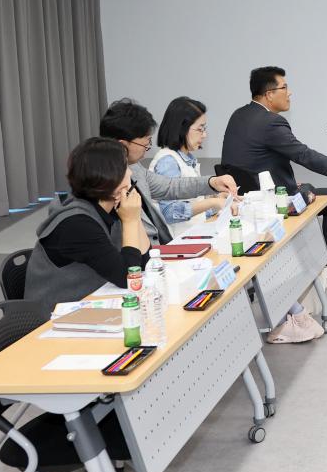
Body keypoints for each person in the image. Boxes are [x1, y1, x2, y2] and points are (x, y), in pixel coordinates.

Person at [222, 66, 327, 287]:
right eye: (284, 87)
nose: (290, 93)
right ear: (269, 94)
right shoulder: (270, 122)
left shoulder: (239, 115)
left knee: (307, 187)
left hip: (245, 198)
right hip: (274, 203)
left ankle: (323, 265)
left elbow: (254, 160)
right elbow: (304, 155)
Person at [25, 138, 151, 313]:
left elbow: (144, 261)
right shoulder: (76, 224)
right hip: (55, 319)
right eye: (125, 168)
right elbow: (128, 277)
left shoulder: (108, 207)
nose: (130, 173)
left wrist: (134, 217)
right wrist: (130, 220)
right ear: (108, 178)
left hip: (88, 304)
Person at [100, 99, 239, 245]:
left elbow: (170, 186)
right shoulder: (105, 181)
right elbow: (167, 211)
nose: (147, 148)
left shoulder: (135, 167)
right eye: (145, 142)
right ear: (123, 145)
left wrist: (212, 182)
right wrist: (212, 202)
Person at [150, 97, 226, 236]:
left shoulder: (186, 159)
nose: (204, 135)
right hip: (178, 243)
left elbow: (194, 211)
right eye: (200, 129)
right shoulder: (168, 161)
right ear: (182, 128)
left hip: (193, 236)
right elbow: (170, 212)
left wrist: (217, 201)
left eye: (205, 128)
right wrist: (212, 203)